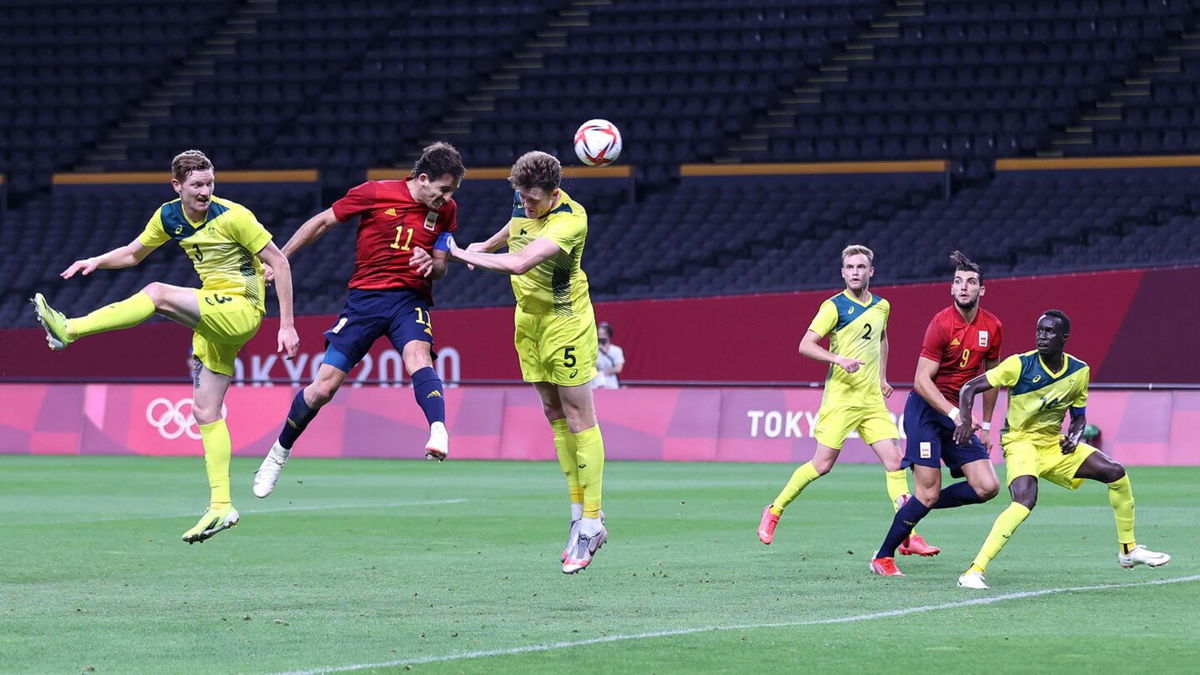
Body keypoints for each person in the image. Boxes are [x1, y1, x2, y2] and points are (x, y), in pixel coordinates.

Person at [31, 149, 299, 544]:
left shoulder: (235, 216)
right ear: (177, 186)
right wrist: (96, 260)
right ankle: (222, 505)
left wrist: (287, 325)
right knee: (205, 410)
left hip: (242, 309)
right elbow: (133, 253)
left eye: (210, 183)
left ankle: (69, 330)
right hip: (213, 314)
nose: (206, 191)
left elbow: (280, 263)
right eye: (197, 185)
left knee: (157, 293)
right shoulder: (168, 216)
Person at [252, 142, 465, 499]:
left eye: (452, 192)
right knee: (323, 388)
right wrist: (279, 259)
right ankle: (277, 454)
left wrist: (433, 264)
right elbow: (321, 223)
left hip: (408, 300)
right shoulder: (375, 193)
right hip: (364, 302)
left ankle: (438, 429)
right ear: (423, 178)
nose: (447, 198)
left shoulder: (446, 210)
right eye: (443, 190)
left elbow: (440, 264)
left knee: (419, 356)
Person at [447, 151, 608, 574]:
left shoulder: (571, 220)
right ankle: (577, 515)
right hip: (528, 321)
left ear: (555, 193)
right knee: (553, 412)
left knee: (579, 418)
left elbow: (519, 263)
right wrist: (485, 244)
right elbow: (513, 231)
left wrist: (462, 253)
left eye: (534, 200)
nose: (527, 205)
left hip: (565, 322)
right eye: (522, 197)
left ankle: (593, 521)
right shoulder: (525, 199)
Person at [954, 310, 1171, 589]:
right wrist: (963, 420)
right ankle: (973, 571)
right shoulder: (1018, 365)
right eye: (1039, 330)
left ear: (1064, 337)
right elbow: (969, 388)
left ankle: (1128, 550)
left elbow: (1079, 415)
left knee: (1116, 473)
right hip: (1021, 443)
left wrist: (1075, 434)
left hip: (1054, 445)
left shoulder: (1079, 371)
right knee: (1024, 500)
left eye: (1049, 332)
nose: (1041, 336)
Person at [757, 244, 938, 556]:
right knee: (822, 465)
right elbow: (805, 345)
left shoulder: (882, 306)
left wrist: (882, 378)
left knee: (895, 462)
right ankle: (774, 509)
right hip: (841, 400)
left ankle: (909, 535)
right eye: (850, 267)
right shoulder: (833, 307)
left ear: (871, 272)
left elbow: (882, 339)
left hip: (871, 401)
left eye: (861, 267)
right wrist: (838, 358)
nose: (855, 272)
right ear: (843, 273)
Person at [869, 251, 1002, 577]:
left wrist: (985, 424)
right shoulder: (942, 324)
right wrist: (957, 414)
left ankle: (912, 506)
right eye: (958, 282)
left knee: (988, 487)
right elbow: (921, 381)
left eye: (971, 282)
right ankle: (883, 557)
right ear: (951, 288)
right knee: (927, 491)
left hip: (960, 415)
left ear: (981, 290)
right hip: (928, 412)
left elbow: (993, 378)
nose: (964, 287)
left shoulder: (993, 327)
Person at [590, 321, 624, 389]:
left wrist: (603, 373)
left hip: (611, 384)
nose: (601, 337)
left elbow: (618, 368)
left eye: (604, 334)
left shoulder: (616, 350)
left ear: (609, 335)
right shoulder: (592, 350)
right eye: (599, 334)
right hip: (595, 384)